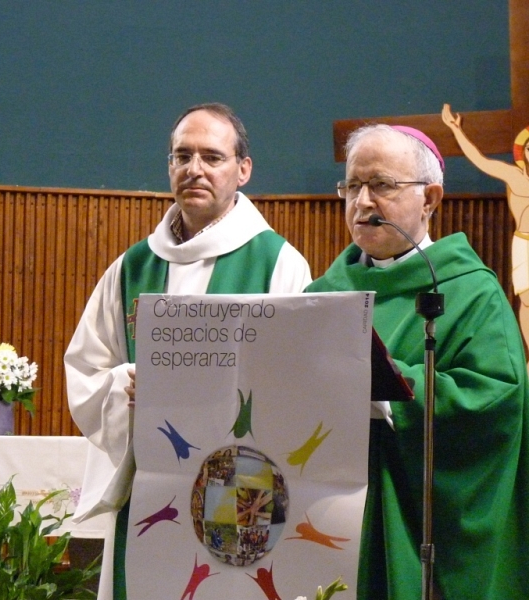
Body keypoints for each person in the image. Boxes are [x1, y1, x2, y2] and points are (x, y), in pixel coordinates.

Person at [64, 102, 312, 600]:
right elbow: (87, 368)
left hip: (242, 487)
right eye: (182, 156)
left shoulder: (279, 262)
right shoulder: (133, 267)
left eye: (212, 157)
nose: (194, 169)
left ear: (243, 170)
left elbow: (301, 381)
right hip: (151, 485)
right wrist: (124, 385)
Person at [307, 124, 529, 599]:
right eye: (352, 186)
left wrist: (396, 387)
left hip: (415, 516)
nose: (363, 202)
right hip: (328, 515)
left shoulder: (470, 290)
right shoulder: (320, 297)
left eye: (382, 185)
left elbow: (496, 401)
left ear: (430, 198)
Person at [442, 103, 529, 356]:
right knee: (527, 299)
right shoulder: (514, 176)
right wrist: (456, 130)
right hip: (525, 242)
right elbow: (479, 160)